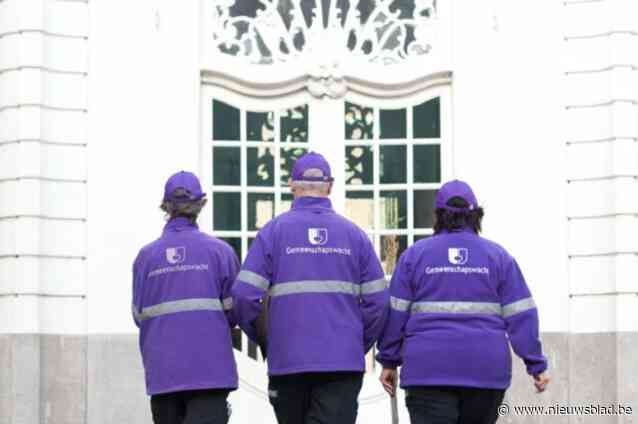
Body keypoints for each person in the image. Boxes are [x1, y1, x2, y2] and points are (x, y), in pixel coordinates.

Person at [231, 152, 389, 424]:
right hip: (342, 364)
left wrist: (268, 339)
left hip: (288, 362)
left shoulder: (273, 232)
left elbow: (244, 296)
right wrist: (355, 343)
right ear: (330, 186)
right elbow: (378, 302)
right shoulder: (355, 236)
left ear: (292, 185)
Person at [376, 180, 550, 424]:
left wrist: (389, 360)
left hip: (428, 372)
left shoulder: (414, 256)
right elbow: (521, 314)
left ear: (438, 215)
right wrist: (536, 364)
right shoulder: (498, 257)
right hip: (485, 372)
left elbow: (395, 314)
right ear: (475, 215)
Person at [132, 171, 239, 424]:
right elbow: (234, 310)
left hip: (163, 374)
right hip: (210, 372)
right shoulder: (221, 253)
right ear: (201, 204)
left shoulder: (145, 258)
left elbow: (139, 315)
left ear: (165, 207)